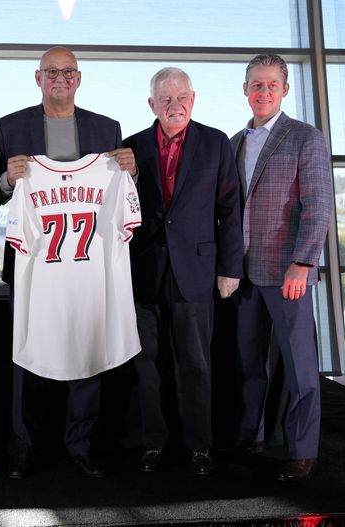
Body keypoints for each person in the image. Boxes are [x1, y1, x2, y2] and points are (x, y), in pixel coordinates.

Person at [0, 46, 138, 478]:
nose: (60, 78)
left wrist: (133, 169)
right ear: (38, 78)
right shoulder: (9, 127)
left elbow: (120, 192)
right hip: (34, 258)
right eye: (51, 71)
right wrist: (7, 178)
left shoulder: (106, 127)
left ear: (79, 78)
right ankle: (26, 444)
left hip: (88, 261)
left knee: (86, 344)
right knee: (28, 346)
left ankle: (81, 442)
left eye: (68, 71)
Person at [123, 68, 243, 475]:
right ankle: (154, 443)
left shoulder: (215, 143)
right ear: (151, 105)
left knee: (195, 363)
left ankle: (199, 445)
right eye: (166, 100)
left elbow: (230, 209)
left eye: (182, 98)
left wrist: (230, 268)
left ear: (194, 98)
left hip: (196, 268)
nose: (175, 106)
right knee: (148, 363)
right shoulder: (131, 147)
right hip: (144, 271)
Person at [230, 53, 333, 481]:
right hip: (245, 272)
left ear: (285, 90)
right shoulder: (235, 141)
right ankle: (252, 433)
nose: (263, 91)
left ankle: (302, 450)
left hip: (288, 271)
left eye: (272, 84)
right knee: (250, 361)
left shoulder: (305, 138)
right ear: (245, 90)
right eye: (256, 84)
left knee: (300, 368)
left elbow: (318, 206)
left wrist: (303, 262)